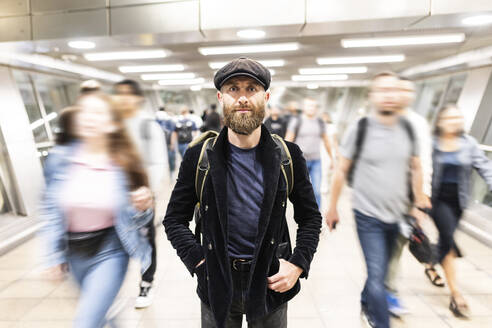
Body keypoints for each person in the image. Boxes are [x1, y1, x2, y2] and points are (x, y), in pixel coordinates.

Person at [163, 57, 322, 328]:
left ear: (266, 97)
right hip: (217, 282)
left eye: (252, 89)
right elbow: (174, 220)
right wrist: (200, 262)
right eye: (233, 89)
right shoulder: (199, 157)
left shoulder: (288, 156)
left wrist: (297, 264)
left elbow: (310, 218)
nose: (242, 98)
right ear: (221, 97)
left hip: (271, 281)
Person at [39, 94, 153, 328]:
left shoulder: (122, 162)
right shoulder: (60, 159)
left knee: (85, 322)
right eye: (84, 111)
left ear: (111, 124)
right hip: (74, 252)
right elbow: (51, 210)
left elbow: (141, 218)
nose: (89, 118)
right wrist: (52, 254)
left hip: (109, 252)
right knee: (99, 316)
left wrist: (143, 207)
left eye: (97, 113)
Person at [325, 72, 425, 328]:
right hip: (368, 216)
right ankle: (381, 322)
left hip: (400, 215)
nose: (389, 96)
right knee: (379, 274)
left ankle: (366, 302)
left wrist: (418, 202)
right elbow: (342, 170)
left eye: (393, 90)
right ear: (372, 96)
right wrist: (332, 207)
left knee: (378, 274)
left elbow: (416, 167)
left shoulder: (408, 128)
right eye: (382, 90)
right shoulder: (361, 128)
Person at [426, 104, 492, 318]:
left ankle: (430, 262)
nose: (455, 121)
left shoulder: (469, 144)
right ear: (440, 121)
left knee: (447, 239)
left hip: (459, 201)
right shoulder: (431, 143)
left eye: (458, 118)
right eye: (450, 118)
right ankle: (456, 295)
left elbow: (484, 167)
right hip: (436, 200)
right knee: (447, 239)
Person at [113, 79, 167, 308]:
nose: (123, 98)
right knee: (116, 241)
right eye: (119, 94)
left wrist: (147, 193)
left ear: (138, 98)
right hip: (115, 195)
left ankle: (146, 283)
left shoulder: (148, 125)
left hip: (141, 196)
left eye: (128, 94)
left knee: (145, 242)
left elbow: (158, 162)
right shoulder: (112, 126)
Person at [384, 77, 435, 317]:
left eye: (407, 90)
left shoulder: (417, 123)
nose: (402, 95)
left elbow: (424, 161)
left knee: (396, 246)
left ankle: (387, 291)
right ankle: (381, 291)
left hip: (406, 198)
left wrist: (422, 197)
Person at [285, 98, 334, 208]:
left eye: (313, 106)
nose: (311, 108)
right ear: (304, 107)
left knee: (316, 190)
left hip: (316, 161)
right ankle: (304, 215)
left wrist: (331, 158)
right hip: (301, 162)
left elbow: (326, 141)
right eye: (309, 106)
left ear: (316, 108)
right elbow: (288, 141)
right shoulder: (297, 121)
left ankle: (316, 216)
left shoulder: (320, 122)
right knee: (300, 191)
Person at [156, 107, 177, 176]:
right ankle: (172, 171)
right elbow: (173, 132)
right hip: (168, 142)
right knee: (171, 158)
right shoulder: (170, 120)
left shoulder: (156, 120)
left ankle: (170, 172)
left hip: (161, 143)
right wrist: (172, 143)